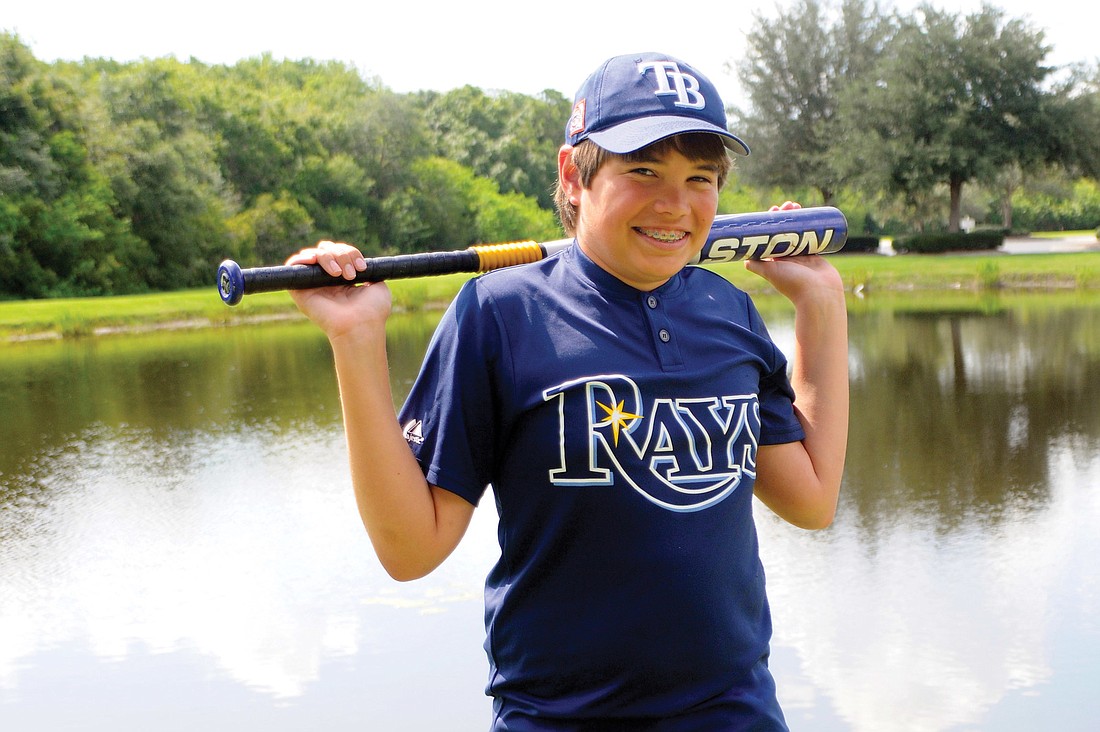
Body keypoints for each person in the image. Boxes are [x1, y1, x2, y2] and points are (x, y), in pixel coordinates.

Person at [286, 51, 848, 731]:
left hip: (733, 712)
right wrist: (355, 343)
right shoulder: (499, 315)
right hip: (560, 718)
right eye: (643, 171)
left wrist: (821, 304)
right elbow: (411, 549)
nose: (676, 203)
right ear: (573, 175)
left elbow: (812, 500)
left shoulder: (728, 312)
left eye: (701, 178)